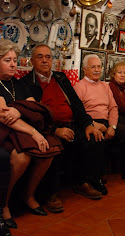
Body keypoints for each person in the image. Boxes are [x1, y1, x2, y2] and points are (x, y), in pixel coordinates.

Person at [22, 44, 106, 212]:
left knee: (93, 138)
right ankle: (49, 193)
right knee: (53, 147)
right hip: (47, 129)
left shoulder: (60, 77)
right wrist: (55, 130)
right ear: (32, 60)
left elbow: (76, 104)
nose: (45, 60)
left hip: (72, 124)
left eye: (48, 57)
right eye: (40, 57)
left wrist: (88, 124)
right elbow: (32, 115)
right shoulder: (26, 82)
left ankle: (82, 182)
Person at [0, 40, 62, 235]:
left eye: (14, 60)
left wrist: (18, 110)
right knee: (22, 156)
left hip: (22, 131)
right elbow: (4, 117)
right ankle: (4, 204)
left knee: (48, 149)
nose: (12, 64)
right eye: (7, 60)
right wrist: (33, 131)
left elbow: (35, 110)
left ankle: (28, 195)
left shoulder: (19, 84)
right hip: (4, 133)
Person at [74, 54, 125, 184]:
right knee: (98, 137)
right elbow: (78, 112)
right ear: (85, 70)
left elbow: (113, 108)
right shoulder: (79, 87)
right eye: (93, 67)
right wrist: (92, 124)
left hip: (107, 122)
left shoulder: (105, 86)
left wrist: (112, 127)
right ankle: (95, 178)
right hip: (91, 123)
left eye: (99, 67)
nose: (97, 70)